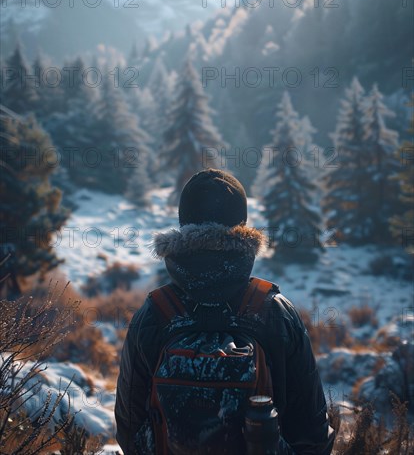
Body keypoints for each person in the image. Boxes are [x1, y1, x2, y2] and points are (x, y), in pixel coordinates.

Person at [115, 169, 335, 454]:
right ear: (242, 227)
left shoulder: (155, 312)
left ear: (183, 226)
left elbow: (129, 430)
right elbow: (312, 431)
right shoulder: (275, 311)